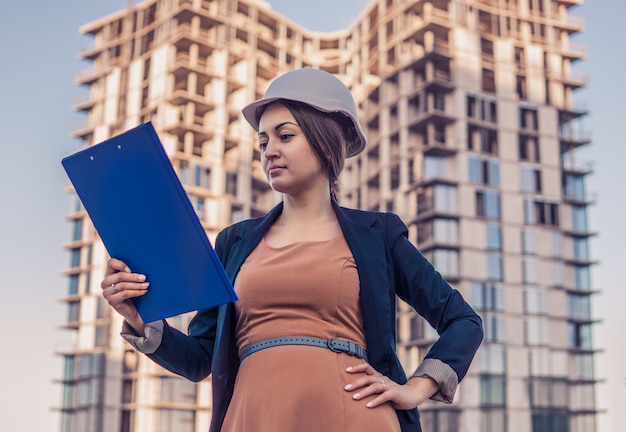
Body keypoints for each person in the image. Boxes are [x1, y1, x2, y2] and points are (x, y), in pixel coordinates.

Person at [101, 68, 483, 432]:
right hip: (252, 416)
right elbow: (200, 358)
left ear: (324, 140)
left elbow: (463, 321)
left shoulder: (377, 235)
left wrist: (415, 388)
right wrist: (139, 320)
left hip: (353, 415)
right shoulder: (234, 242)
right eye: (263, 141)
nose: (269, 151)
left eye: (285, 136)